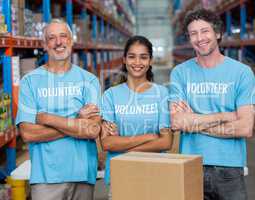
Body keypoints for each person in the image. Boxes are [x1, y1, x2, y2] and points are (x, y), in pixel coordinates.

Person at [169, 9, 255, 200]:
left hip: (230, 168)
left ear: (217, 33)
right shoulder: (179, 73)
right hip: (190, 165)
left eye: (205, 31)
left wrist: (194, 122)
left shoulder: (242, 73)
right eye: (193, 33)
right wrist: (226, 116)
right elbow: (178, 123)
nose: (199, 38)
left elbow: (245, 128)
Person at [16, 19, 101, 200]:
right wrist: (77, 122)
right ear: (45, 45)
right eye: (52, 38)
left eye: (63, 36)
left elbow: (92, 129)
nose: (59, 42)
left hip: (83, 174)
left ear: (71, 41)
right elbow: (28, 134)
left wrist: (47, 118)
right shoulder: (30, 82)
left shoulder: (89, 80)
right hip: (46, 178)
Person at [101, 35, 173, 199]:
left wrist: (122, 147)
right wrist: (149, 137)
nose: (137, 62)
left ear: (150, 61)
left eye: (143, 57)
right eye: (132, 56)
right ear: (124, 60)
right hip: (121, 174)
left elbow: (166, 141)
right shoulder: (110, 95)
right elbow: (107, 142)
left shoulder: (161, 93)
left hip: (155, 173)